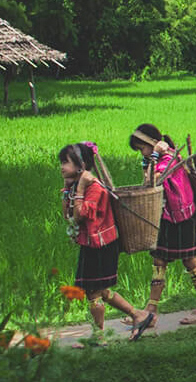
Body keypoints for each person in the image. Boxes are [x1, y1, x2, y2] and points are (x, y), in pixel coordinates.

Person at [127, 124, 196, 339]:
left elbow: (151, 181)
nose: (142, 153)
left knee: (190, 263)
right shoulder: (158, 159)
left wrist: (154, 155)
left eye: (142, 149)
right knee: (159, 262)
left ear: (151, 144)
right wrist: (149, 158)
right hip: (166, 218)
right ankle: (151, 311)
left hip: (181, 219)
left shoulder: (168, 160)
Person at [59, 142, 147, 337]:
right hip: (91, 243)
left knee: (94, 292)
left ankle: (98, 337)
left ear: (81, 165)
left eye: (66, 162)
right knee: (102, 291)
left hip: (102, 245)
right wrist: (67, 191)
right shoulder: (74, 186)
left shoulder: (94, 188)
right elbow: (68, 215)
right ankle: (137, 314)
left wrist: (80, 188)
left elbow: (80, 214)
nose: (62, 167)